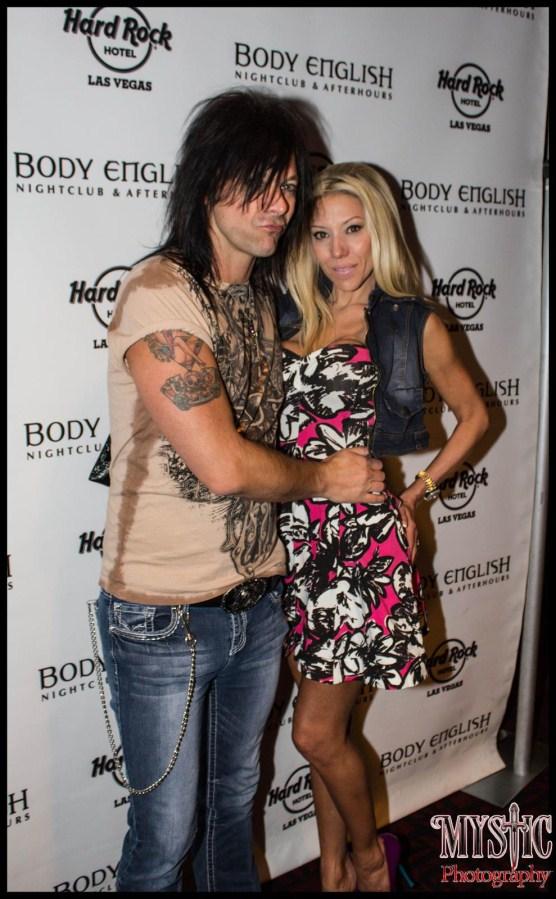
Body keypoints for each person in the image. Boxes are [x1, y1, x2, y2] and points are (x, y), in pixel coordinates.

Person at [92, 91, 387, 893]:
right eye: (258, 183)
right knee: (163, 841)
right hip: (165, 616)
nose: (278, 205)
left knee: (233, 808)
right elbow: (222, 464)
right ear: (206, 181)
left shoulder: (263, 299)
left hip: (257, 604)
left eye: (287, 186)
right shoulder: (162, 291)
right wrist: (326, 477)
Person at [277, 161, 489, 892]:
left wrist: (419, 494)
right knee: (328, 734)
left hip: (360, 549)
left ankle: (371, 860)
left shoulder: (408, 320)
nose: (338, 250)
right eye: (321, 235)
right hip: (295, 540)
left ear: (380, 231)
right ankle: (333, 872)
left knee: (313, 731)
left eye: (354, 230)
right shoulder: (290, 315)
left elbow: (476, 415)